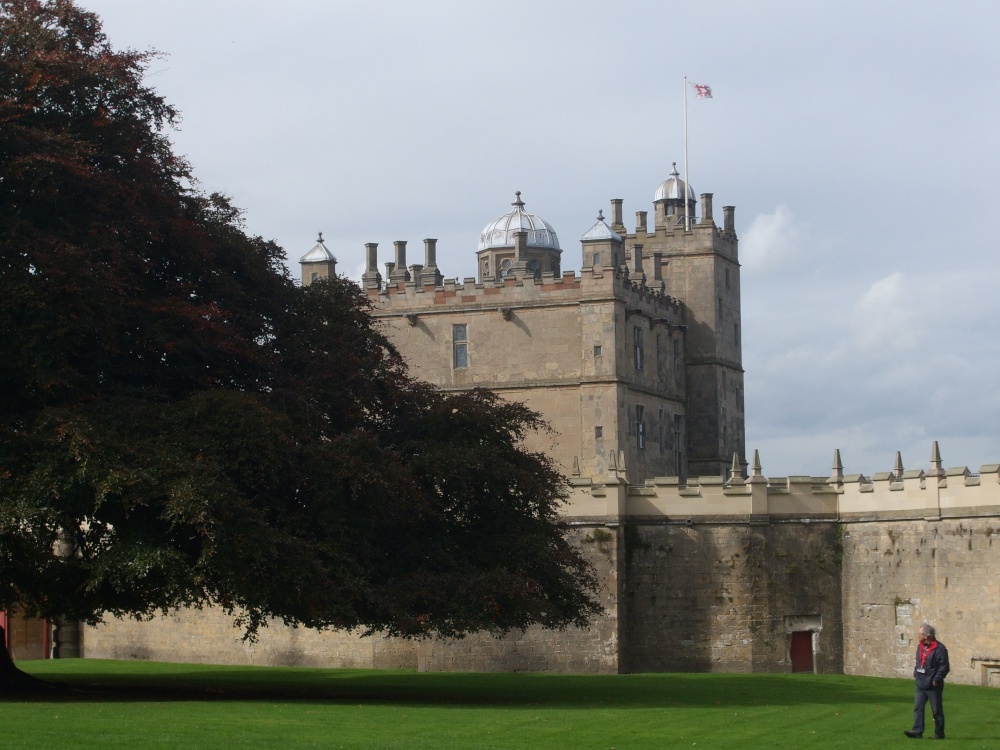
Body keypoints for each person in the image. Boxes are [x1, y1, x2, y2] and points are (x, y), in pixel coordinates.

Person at [903, 623, 950, 740]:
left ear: (926, 636)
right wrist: (916, 673)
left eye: (919, 633)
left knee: (936, 711)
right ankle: (917, 731)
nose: (917, 635)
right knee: (918, 708)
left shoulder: (940, 649)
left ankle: (939, 734)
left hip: (933, 684)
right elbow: (918, 661)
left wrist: (936, 679)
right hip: (920, 682)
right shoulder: (920, 646)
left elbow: (944, 666)